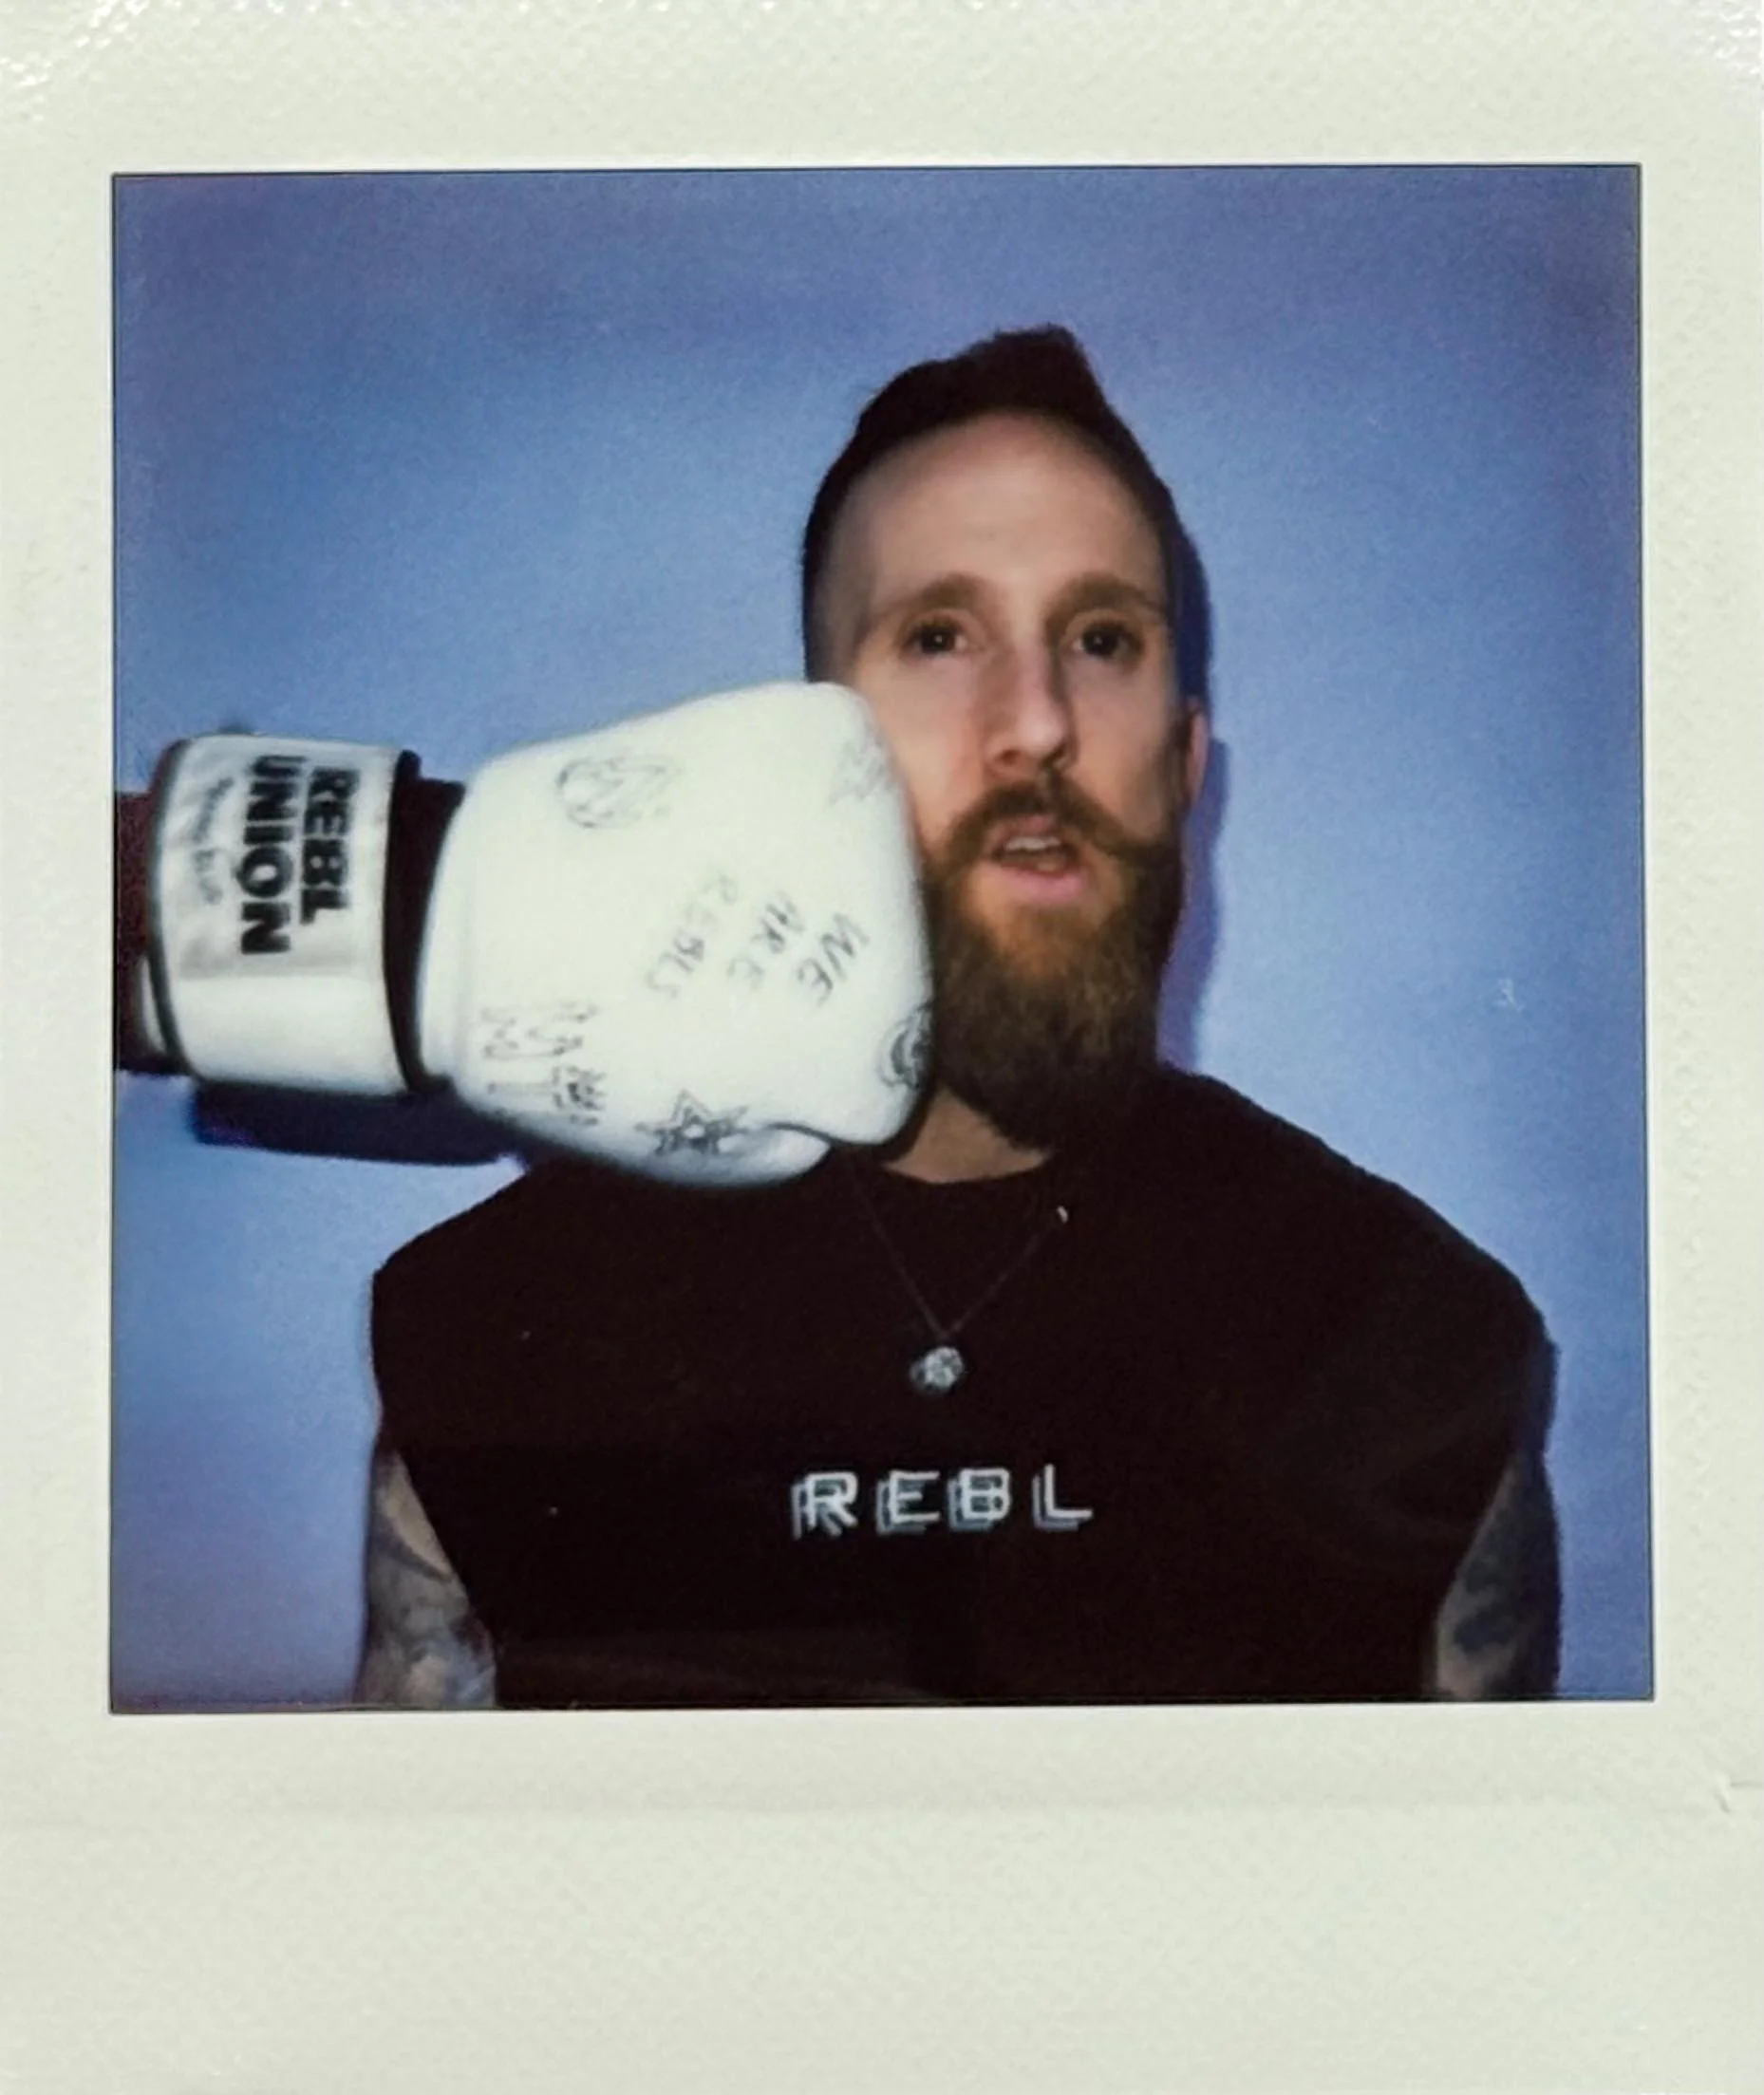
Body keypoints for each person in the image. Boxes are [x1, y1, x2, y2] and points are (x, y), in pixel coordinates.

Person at [358, 327, 1560, 1710]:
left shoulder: (1416, 1349)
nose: (1036, 720)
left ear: (1181, 765)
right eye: (938, 636)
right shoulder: (499, 1339)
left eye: (1102, 639)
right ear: (811, 752)